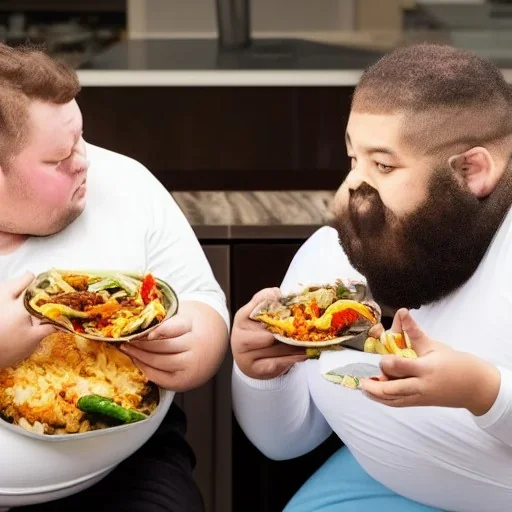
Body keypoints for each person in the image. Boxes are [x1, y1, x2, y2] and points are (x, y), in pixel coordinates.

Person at [231, 42, 512, 512]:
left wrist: (482, 391)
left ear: (471, 170)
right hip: (380, 482)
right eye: (352, 159)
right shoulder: (332, 255)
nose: (351, 189)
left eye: (383, 165)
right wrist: (259, 373)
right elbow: (283, 443)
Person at [0, 44, 229, 511]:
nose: (84, 161)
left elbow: (201, 298)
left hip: (126, 469)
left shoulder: (127, 184)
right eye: (58, 158)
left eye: (81, 138)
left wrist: (196, 347)